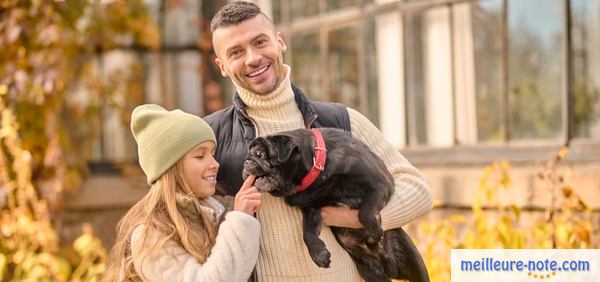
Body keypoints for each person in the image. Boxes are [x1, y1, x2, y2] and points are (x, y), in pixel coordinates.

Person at [205, 1, 433, 281]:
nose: (253, 58)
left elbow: (418, 190)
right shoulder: (211, 138)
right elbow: (182, 219)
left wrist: (355, 216)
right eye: (236, 52)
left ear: (280, 42)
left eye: (260, 41)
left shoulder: (341, 121)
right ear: (222, 66)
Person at [104, 104, 262, 282]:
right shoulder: (151, 235)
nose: (215, 164)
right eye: (200, 156)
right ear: (172, 168)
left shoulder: (218, 213)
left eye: (213, 154)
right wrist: (240, 221)